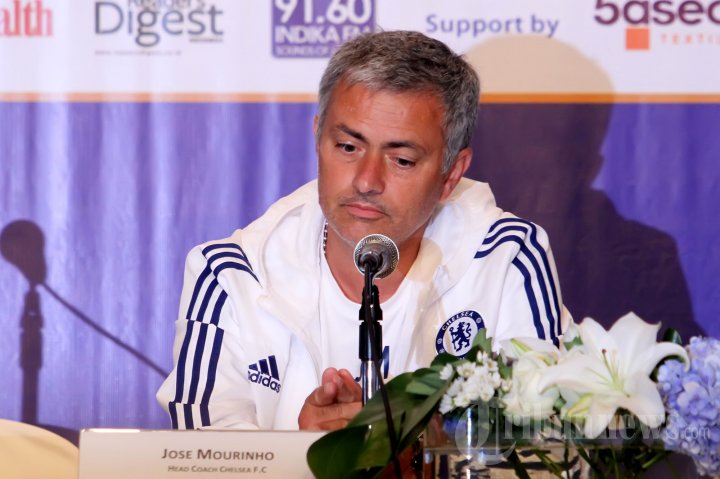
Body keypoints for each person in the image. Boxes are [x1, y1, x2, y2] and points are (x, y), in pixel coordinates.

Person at [156, 31, 572, 431]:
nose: (367, 180)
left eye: (402, 160)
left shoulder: (507, 259)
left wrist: (419, 446)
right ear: (318, 140)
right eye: (348, 147)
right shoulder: (232, 274)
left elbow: (548, 441)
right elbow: (203, 455)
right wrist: (304, 455)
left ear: (451, 174)